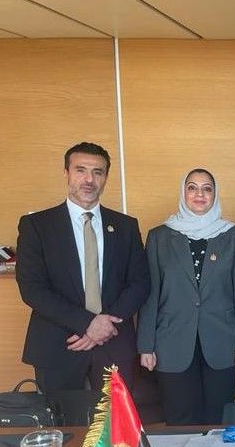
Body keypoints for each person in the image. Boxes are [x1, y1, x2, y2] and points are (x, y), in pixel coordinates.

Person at [16, 142, 149, 392]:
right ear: (66, 173)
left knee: (113, 416)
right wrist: (87, 323)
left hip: (114, 343)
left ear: (106, 177)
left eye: (98, 172)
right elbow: (32, 288)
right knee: (62, 417)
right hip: (59, 343)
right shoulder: (37, 225)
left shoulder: (126, 226)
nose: (89, 179)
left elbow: (140, 283)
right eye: (80, 170)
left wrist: (104, 326)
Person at [136, 169, 235, 424]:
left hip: (223, 340)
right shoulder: (159, 236)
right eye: (192, 187)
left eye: (207, 188)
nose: (199, 194)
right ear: (183, 193)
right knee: (179, 418)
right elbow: (150, 294)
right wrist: (146, 345)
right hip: (171, 341)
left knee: (218, 418)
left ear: (215, 194)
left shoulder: (234, 235)